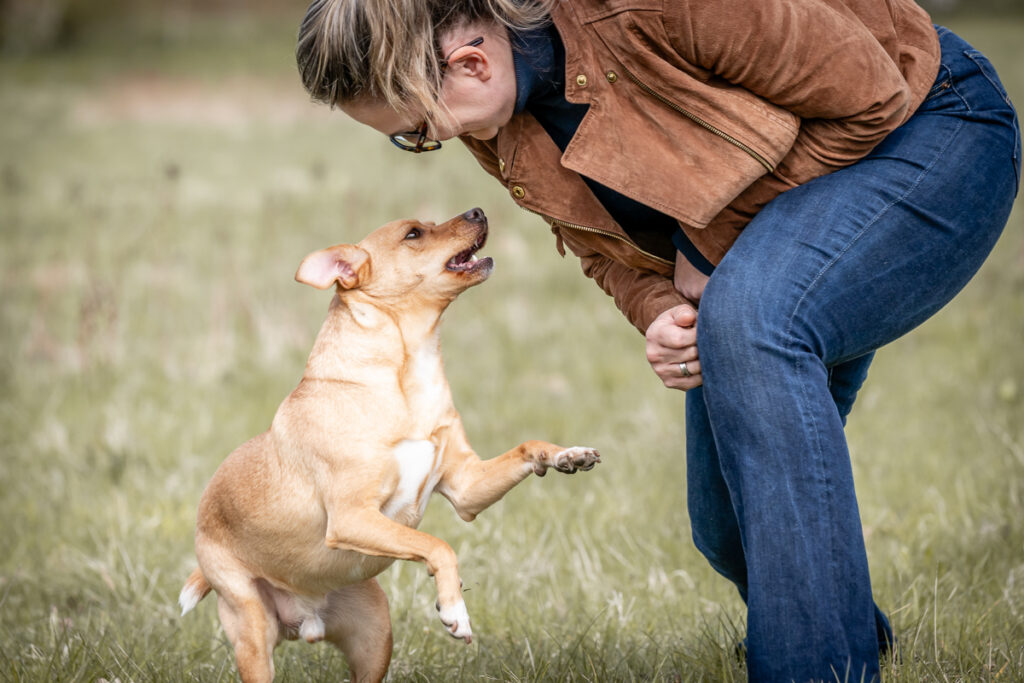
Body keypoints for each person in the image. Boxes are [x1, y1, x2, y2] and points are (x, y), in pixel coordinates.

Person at [295, 0, 1021, 679]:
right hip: (797, 206)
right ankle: (842, 633)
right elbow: (597, 246)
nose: (436, 143)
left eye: (419, 132)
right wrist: (656, 309)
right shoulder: (500, 118)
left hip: (931, 123)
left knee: (753, 318)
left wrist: (710, 246)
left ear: (471, 64)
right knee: (726, 525)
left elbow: (872, 92)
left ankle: (815, 665)